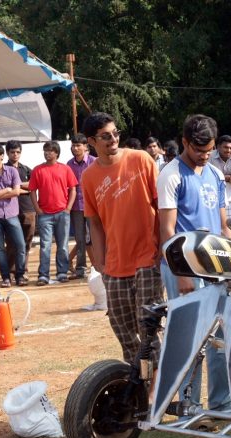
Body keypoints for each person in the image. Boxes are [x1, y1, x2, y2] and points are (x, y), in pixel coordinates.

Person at [157, 114, 231, 416]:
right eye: (198, 150)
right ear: (184, 142)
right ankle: (189, 405)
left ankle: (221, 406)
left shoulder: (215, 174)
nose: (204, 155)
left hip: (215, 266)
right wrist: (181, 274)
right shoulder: (171, 174)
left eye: (209, 149)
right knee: (190, 337)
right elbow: (166, 231)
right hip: (183, 266)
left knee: (220, 337)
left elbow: (224, 226)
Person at [81, 112, 163, 367]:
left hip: (148, 256)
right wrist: (101, 264)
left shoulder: (141, 160)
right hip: (115, 264)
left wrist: (161, 247)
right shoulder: (88, 177)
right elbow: (94, 223)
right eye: (106, 136)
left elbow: (161, 206)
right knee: (121, 326)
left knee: (147, 324)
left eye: (115, 133)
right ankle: (138, 380)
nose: (113, 139)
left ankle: (159, 389)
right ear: (91, 141)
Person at [29, 141, 77, 285]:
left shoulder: (65, 169)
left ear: (57, 153)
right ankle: (43, 275)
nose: (47, 153)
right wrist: (37, 209)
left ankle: (62, 272)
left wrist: (68, 208)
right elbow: (32, 191)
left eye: (50, 150)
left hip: (63, 212)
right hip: (45, 215)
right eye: (45, 150)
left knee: (62, 245)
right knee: (45, 246)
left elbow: (73, 189)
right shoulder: (37, 170)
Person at [0, 143, 27, 288]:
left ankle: (20, 275)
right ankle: (5, 277)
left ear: (2, 156)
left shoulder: (12, 171)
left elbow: (16, 191)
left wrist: (0, 193)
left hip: (11, 213)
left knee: (20, 245)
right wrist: (6, 190)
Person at [5, 140, 36, 280]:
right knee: (11, 242)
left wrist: (16, 186)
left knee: (27, 241)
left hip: (28, 209)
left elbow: (33, 185)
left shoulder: (26, 169)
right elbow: (4, 186)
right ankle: (11, 272)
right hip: (10, 209)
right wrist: (20, 188)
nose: (15, 154)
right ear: (7, 153)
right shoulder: (3, 169)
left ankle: (23, 270)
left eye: (18, 152)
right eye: (12, 152)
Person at [67, 134, 96, 280]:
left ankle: (99, 267)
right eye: (73, 145)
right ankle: (80, 269)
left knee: (97, 237)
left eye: (78, 145)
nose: (75, 148)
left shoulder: (94, 162)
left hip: (94, 206)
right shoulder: (68, 164)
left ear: (86, 147)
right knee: (80, 239)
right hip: (76, 207)